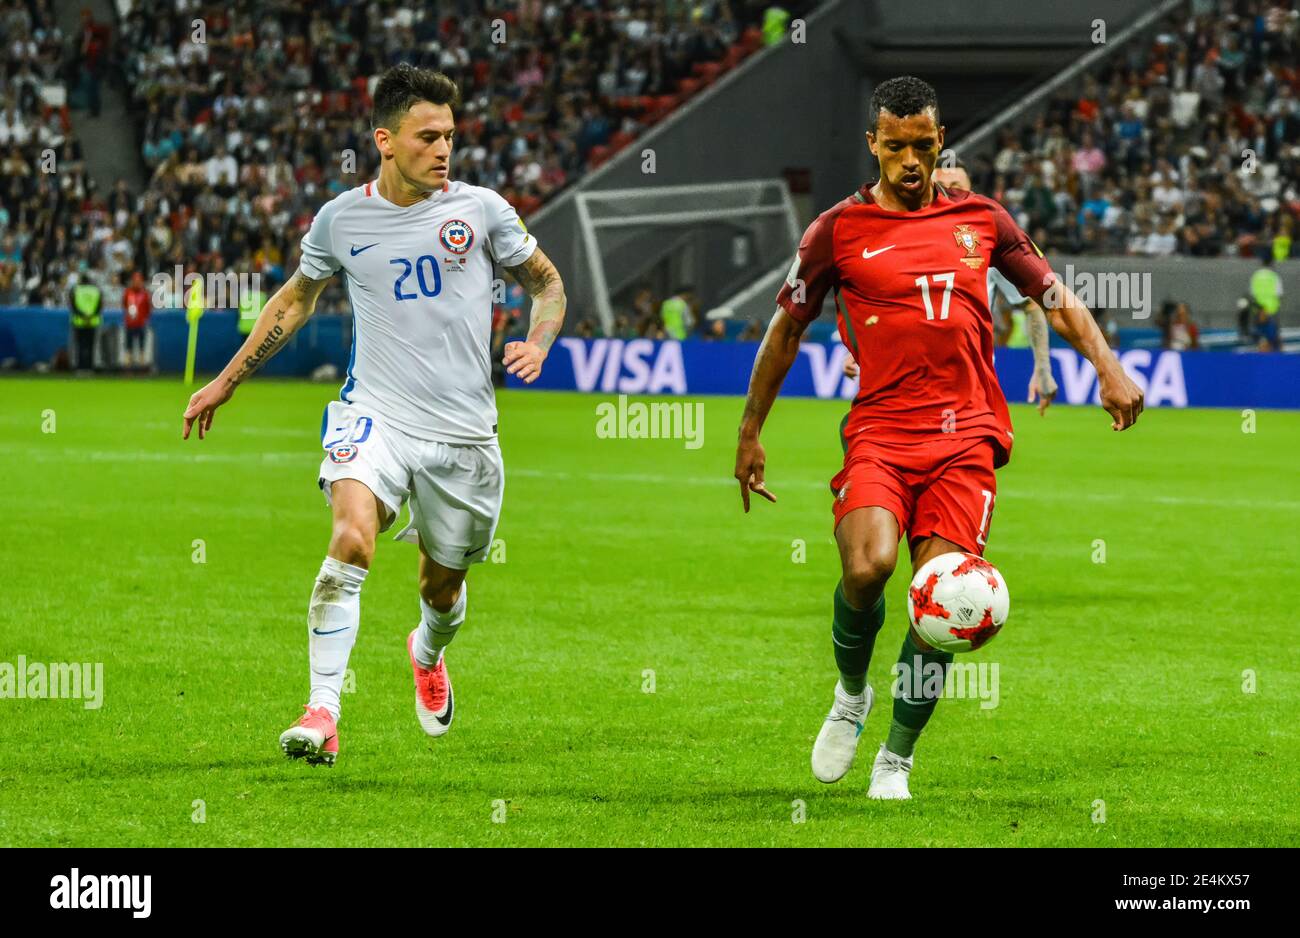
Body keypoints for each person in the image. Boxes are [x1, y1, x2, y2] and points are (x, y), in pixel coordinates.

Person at [734, 76, 1143, 800]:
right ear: (874, 145)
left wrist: (1107, 367)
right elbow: (786, 328)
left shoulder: (983, 219)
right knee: (867, 570)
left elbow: (1054, 295)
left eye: (923, 145)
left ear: (940, 139)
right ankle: (853, 693)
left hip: (966, 440)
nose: (911, 160)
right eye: (896, 147)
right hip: (881, 434)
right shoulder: (836, 229)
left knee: (946, 597)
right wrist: (750, 429)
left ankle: (896, 757)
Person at [182, 64, 567, 766]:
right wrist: (227, 381)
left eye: (450, 136)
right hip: (375, 415)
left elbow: (546, 281)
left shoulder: (481, 210)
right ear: (386, 141)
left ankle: (427, 649)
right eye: (428, 136)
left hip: (463, 436)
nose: (444, 149)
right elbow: (295, 300)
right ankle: (322, 711)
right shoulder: (341, 218)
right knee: (352, 539)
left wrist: (538, 341)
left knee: (442, 588)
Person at [843, 162, 1058, 416]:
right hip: (902, 381)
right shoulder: (900, 238)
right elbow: (883, 305)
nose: (948, 192)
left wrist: (1043, 368)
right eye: (941, 186)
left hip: (969, 383)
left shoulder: (986, 242)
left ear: (969, 192)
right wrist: (859, 348)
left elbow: (1033, 305)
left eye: (956, 187)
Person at [1250, 254, 1283, 352]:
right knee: (1274, 339)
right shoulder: (1274, 277)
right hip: (1271, 311)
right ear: (1271, 264)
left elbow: (1252, 294)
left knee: (1259, 339)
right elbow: (1279, 294)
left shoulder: (1255, 276)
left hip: (1258, 313)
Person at [69, 274, 102, 372]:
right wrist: (90, 315)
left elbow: (73, 306)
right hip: (93, 321)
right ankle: (90, 367)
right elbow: (99, 306)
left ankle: (80, 367)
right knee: (91, 345)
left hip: (79, 322)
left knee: (80, 345)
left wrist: (83, 315)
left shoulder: (76, 290)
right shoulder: (96, 291)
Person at [123, 271, 152, 371]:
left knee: (142, 347)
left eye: (139, 281)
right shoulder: (127, 292)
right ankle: (128, 368)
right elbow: (124, 305)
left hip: (140, 323)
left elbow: (148, 308)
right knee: (128, 347)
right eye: (135, 280)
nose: (137, 283)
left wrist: (144, 319)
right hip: (130, 323)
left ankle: (142, 367)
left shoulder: (145, 294)